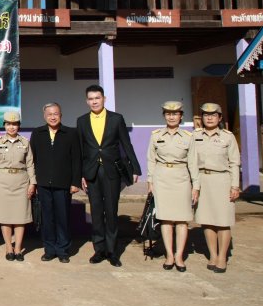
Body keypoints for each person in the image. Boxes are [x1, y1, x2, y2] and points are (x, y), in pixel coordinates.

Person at [76, 84, 141, 267]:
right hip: (91, 173)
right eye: (91, 98)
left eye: (97, 98)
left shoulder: (116, 119)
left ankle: (112, 251)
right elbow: (81, 150)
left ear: (104, 99)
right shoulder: (81, 121)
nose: (94, 101)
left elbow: (126, 144)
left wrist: (135, 168)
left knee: (111, 211)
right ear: (86, 101)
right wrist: (81, 174)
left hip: (112, 171)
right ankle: (99, 250)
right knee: (96, 212)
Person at [146, 101, 199, 272]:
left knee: (182, 220)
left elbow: (193, 163)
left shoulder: (188, 137)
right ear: (164, 116)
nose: (171, 116)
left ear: (181, 116)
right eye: (168, 113)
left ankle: (179, 256)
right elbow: (151, 159)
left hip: (181, 178)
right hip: (162, 178)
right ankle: (169, 255)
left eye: (175, 113)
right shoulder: (156, 135)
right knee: (166, 219)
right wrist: (150, 182)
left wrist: (195, 185)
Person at [189, 103, 241, 274]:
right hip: (203, 180)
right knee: (207, 221)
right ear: (201, 118)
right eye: (206, 115)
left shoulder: (228, 137)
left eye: (213, 115)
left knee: (223, 221)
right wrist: (194, 186)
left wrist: (235, 185)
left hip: (222, 180)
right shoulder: (195, 136)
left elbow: (234, 163)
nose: (209, 118)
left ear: (220, 118)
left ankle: (222, 257)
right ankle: (212, 254)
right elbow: (192, 161)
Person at [29, 103, 81, 263]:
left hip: (63, 184)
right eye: (49, 114)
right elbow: (32, 159)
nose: (53, 117)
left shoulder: (71, 133)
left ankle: (63, 250)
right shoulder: (38, 133)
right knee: (47, 218)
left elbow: (76, 160)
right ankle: (49, 249)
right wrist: (34, 182)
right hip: (43, 183)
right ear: (44, 116)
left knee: (62, 217)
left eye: (56, 114)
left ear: (61, 115)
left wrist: (75, 182)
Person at [0, 111, 34, 261]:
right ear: (4, 125)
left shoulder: (25, 142)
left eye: (15, 124)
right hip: (3, 182)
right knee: (6, 217)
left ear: (19, 126)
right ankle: (9, 247)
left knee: (21, 217)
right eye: (9, 124)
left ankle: (18, 248)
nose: (12, 127)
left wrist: (32, 183)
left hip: (22, 182)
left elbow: (30, 164)